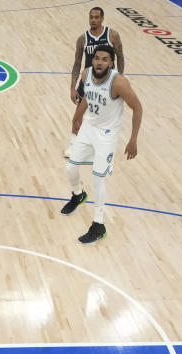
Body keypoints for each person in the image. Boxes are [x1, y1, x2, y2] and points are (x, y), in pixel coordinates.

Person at [60, 44, 143, 245]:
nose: (99, 62)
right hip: (89, 127)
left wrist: (133, 139)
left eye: (105, 59)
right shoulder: (86, 74)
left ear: (111, 63)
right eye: (97, 58)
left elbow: (138, 107)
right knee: (70, 168)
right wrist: (76, 118)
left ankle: (99, 225)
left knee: (98, 179)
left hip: (107, 135)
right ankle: (78, 195)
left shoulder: (119, 83)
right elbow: (87, 97)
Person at [67, 7, 125, 155]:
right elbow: (77, 63)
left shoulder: (113, 35)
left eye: (97, 17)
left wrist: (119, 78)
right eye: (91, 17)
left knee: (103, 115)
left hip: (106, 82)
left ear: (102, 18)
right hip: (87, 80)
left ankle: (99, 146)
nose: (93, 20)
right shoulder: (82, 39)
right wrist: (72, 87)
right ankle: (74, 143)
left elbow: (120, 56)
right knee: (79, 111)